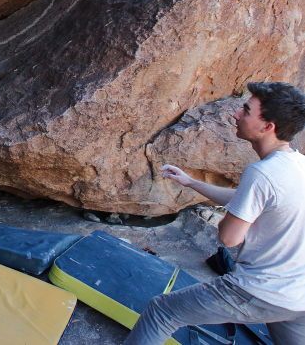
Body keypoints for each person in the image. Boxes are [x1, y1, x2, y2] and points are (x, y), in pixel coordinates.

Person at [125, 82, 305, 344]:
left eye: (246, 110)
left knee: (162, 311)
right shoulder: (298, 164)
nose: (236, 115)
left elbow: (230, 238)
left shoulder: (262, 173)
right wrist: (191, 182)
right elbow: (250, 202)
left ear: (268, 127)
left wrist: (229, 222)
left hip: (260, 291)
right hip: (298, 296)